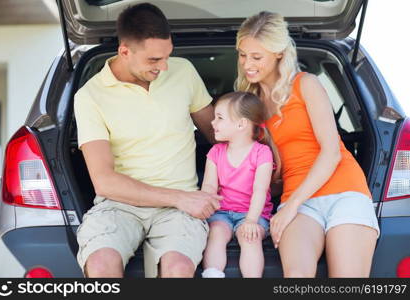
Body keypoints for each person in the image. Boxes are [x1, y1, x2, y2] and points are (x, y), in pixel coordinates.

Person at [74, 3, 221, 278]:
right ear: (125, 51)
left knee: (177, 268)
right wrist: (181, 198)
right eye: (154, 60)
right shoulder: (90, 96)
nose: (164, 67)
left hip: (178, 212)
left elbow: (219, 136)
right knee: (101, 265)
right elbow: (104, 181)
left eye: (167, 56)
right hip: (118, 205)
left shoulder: (184, 71)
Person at [235, 11, 380, 277]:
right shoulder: (249, 104)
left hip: (344, 191)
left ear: (279, 53)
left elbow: (331, 152)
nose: (247, 64)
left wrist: (290, 207)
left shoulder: (306, 84)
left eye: (256, 57)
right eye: (243, 55)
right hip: (298, 200)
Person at [200, 91, 281, 278]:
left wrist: (251, 221)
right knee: (216, 233)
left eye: (219, 118)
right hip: (222, 212)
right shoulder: (215, 152)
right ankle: (212, 275)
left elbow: (260, 191)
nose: (212, 123)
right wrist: (205, 209)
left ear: (241, 124)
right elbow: (209, 187)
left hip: (253, 214)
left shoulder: (262, 153)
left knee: (249, 237)